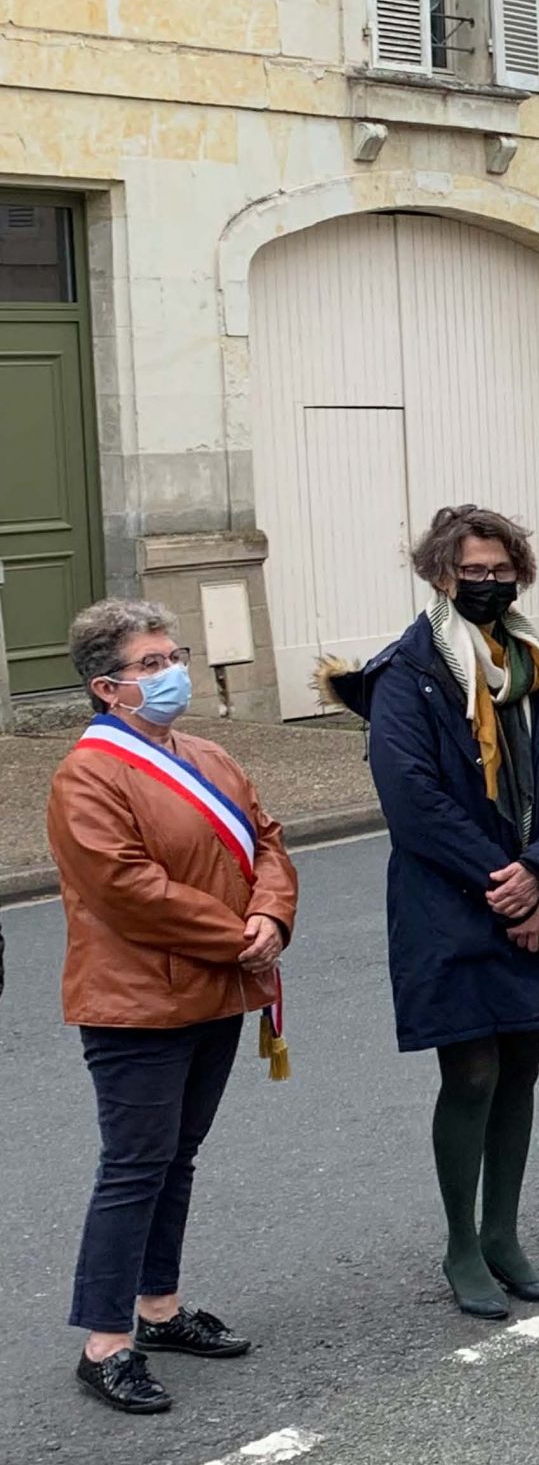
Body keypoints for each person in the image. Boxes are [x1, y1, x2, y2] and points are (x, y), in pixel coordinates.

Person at [326, 505, 539, 1319]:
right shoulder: (404, 674)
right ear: (440, 575)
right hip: (453, 901)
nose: (486, 583)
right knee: (472, 1071)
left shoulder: (535, 664)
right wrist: (507, 883)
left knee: (522, 1064)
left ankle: (505, 1236)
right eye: (469, 571)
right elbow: (414, 803)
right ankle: (460, 1245)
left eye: (499, 569)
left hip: (535, 890)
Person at [50, 598, 297, 1413]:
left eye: (173, 655)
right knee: (133, 1165)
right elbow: (126, 889)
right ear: (106, 687)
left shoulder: (208, 754)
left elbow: (266, 840)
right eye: (151, 665)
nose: (171, 673)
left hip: (214, 989)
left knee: (176, 1155)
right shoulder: (88, 774)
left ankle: (157, 1308)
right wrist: (239, 933)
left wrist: (270, 915)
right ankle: (104, 1341)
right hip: (135, 1003)